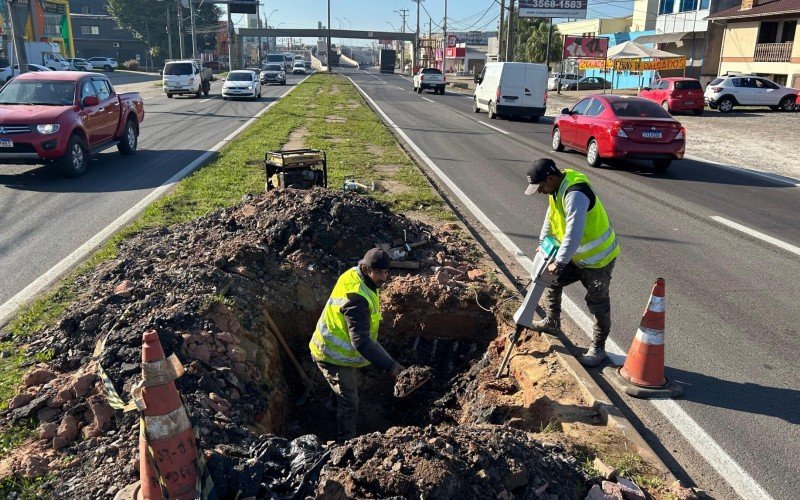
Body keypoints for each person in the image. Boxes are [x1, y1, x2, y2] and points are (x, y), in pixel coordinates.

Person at [524, 158, 619, 367]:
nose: (539, 191)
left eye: (540, 186)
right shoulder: (556, 188)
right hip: (575, 256)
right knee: (550, 280)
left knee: (597, 302)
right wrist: (543, 243)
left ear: (549, 178)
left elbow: (573, 234)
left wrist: (558, 263)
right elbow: (551, 216)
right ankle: (552, 321)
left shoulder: (575, 193)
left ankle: (598, 347)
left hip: (598, 260)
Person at [309, 248, 405, 441]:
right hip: (331, 354)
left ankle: (332, 408)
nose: (384, 277)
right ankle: (346, 442)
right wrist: (391, 366)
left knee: (346, 386)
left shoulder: (356, 275)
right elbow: (361, 342)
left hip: (339, 347)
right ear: (365, 268)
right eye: (379, 272)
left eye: (386, 272)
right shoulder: (357, 299)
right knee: (350, 400)